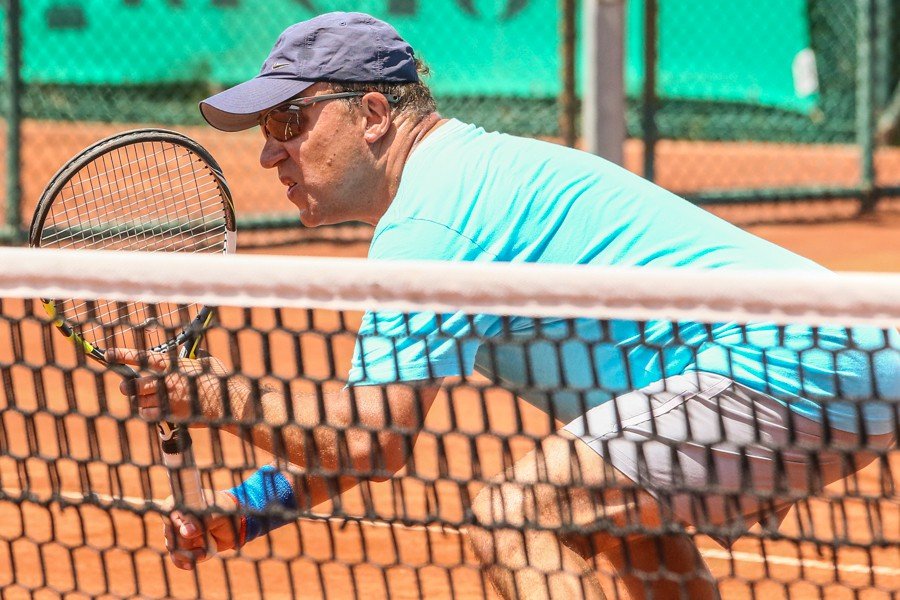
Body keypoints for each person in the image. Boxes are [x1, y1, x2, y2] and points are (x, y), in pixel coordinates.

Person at [110, 11, 898, 600]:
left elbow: (371, 441)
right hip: (849, 357)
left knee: (518, 514)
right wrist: (249, 508)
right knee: (625, 525)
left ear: (375, 115)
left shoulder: (430, 220)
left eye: (290, 119)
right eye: (266, 125)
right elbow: (367, 440)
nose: (269, 150)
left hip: (784, 360)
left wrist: (215, 396)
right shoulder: (456, 181)